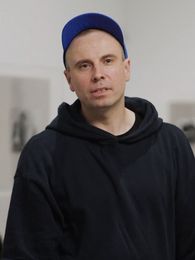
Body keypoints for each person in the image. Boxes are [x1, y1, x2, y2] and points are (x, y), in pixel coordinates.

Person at [2, 12, 195, 260]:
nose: (98, 74)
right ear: (69, 78)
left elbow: (190, 243)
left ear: (126, 68)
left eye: (108, 60)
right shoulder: (42, 156)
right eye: (84, 65)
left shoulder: (172, 144)